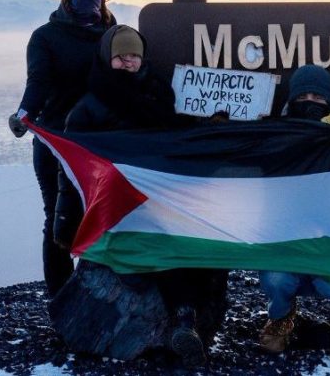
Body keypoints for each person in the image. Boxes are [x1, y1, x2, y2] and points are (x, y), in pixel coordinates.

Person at [51, 25, 213, 367]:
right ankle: (182, 321)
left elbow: (178, 141)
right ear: (108, 59)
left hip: (158, 201)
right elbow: (72, 171)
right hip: (114, 209)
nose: (129, 63)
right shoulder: (87, 109)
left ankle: (186, 324)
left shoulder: (161, 95)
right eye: (121, 57)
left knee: (184, 245)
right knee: (150, 253)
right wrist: (64, 220)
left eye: (134, 56)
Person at [8, 0, 115, 298]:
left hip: (101, 143)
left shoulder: (114, 35)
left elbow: (132, 77)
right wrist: (24, 113)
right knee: (58, 221)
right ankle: (59, 297)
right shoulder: (46, 37)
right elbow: (37, 82)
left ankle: (96, 297)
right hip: (56, 142)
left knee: (102, 219)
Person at [258, 64, 330, 353]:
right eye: (303, 96)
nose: (310, 102)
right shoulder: (274, 135)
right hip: (288, 243)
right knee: (275, 279)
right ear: (292, 100)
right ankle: (280, 317)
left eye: (318, 97)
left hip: (329, 241)